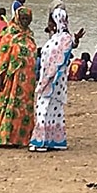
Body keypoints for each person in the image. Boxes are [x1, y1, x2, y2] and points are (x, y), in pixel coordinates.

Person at [30, 8, 84, 152]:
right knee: (53, 110)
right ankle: (53, 140)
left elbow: (58, 58)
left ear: (55, 22)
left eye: (50, 21)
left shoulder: (63, 39)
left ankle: (41, 141)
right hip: (53, 80)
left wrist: (46, 79)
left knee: (44, 109)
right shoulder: (59, 38)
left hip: (53, 81)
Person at [0, 7, 37, 148]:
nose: (25, 21)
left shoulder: (29, 35)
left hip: (27, 81)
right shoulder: (9, 35)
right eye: (22, 18)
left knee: (24, 109)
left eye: (27, 19)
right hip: (12, 78)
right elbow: (3, 58)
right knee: (11, 106)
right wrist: (0, 77)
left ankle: (22, 137)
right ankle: (6, 138)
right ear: (17, 18)